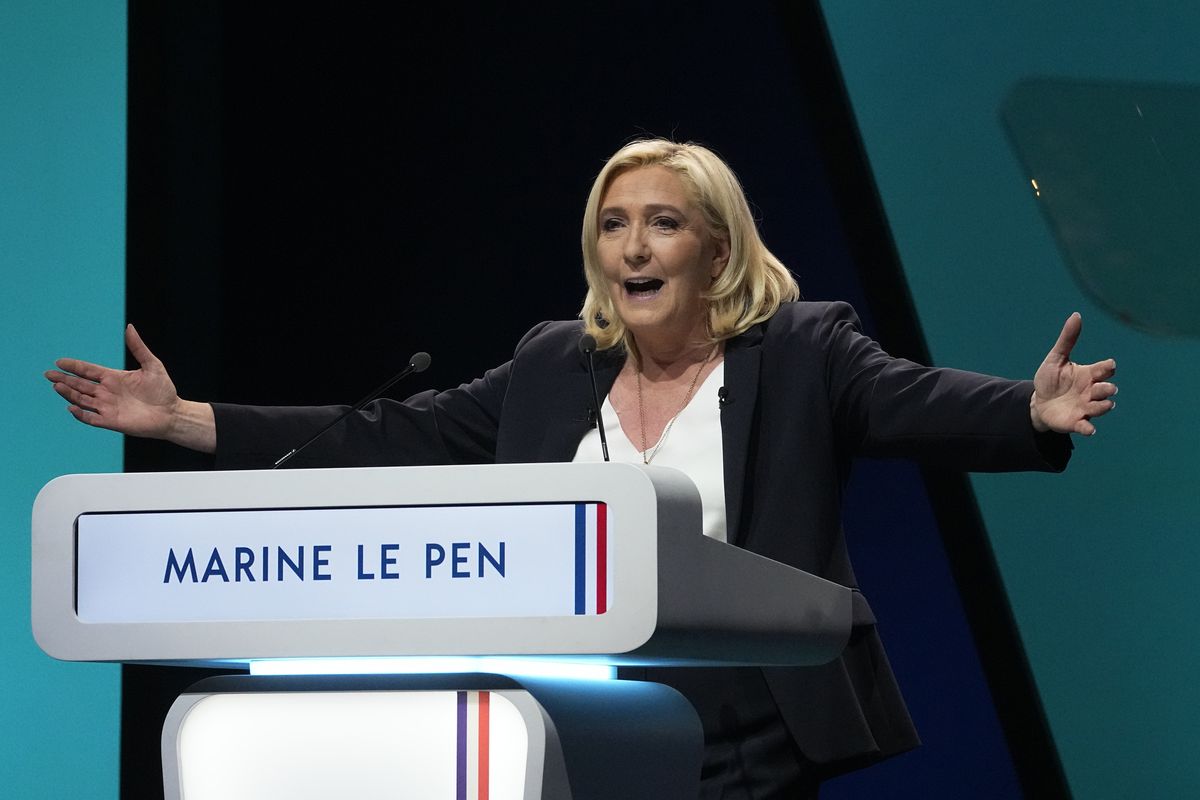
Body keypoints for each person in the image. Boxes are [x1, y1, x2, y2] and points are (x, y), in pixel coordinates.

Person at [46, 139, 1117, 797]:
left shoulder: (801, 350)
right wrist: (186, 420)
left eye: (663, 224)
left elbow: (909, 401)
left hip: (752, 731)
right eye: (614, 226)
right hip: (572, 717)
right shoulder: (555, 362)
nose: (634, 247)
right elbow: (389, 432)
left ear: (717, 249)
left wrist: (1027, 410)